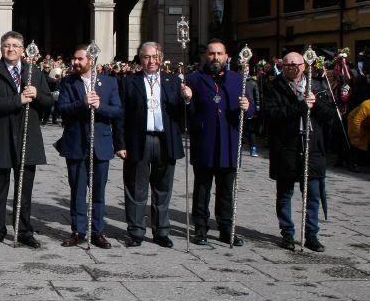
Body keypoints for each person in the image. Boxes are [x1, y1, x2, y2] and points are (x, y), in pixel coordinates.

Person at [0, 32, 53, 248]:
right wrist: (18, 99)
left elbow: (48, 102)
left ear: (22, 49)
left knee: (24, 190)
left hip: (27, 138)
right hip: (0, 138)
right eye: (7, 45)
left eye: (16, 45)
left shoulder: (34, 73)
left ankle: (23, 230)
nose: (11, 49)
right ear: (1, 48)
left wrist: (37, 94)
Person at [115, 42, 190, 248]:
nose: (151, 61)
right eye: (146, 57)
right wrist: (120, 143)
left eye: (155, 57)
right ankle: (136, 231)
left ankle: (161, 231)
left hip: (166, 140)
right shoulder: (129, 82)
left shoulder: (173, 81)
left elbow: (182, 115)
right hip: (138, 140)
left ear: (161, 58)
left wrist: (187, 100)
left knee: (163, 189)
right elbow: (121, 115)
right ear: (140, 59)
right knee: (136, 188)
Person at [263, 52, 336, 252]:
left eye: (296, 64)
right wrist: (300, 107)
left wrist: (316, 104)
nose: (292, 68)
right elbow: (271, 115)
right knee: (285, 193)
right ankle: (287, 232)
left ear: (304, 66)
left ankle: (311, 234)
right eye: (287, 65)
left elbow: (330, 116)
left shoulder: (318, 86)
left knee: (313, 194)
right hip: (287, 147)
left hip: (312, 148)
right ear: (282, 67)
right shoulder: (273, 87)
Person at [186, 39, 254, 246]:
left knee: (226, 190)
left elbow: (251, 111)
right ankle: (201, 228)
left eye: (219, 54)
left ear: (226, 57)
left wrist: (247, 106)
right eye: (211, 54)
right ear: (206, 56)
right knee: (202, 189)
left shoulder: (238, 80)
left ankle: (226, 229)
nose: (215, 58)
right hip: (204, 142)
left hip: (229, 143)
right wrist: (187, 100)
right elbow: (186, 115)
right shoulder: (194, 79)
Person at [56, 45, 122, 249]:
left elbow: (117, 110)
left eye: (79, 59)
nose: (75, 63)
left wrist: (99, 106)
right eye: (74, 59)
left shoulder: (109, 82)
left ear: (91, 60)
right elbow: (62, 110)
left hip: (100, 144)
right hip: (76, 143)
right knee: (77, 191)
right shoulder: (68, 82)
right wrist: (83, 103)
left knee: (98, 192)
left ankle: (97, 231)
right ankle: (78, 230)